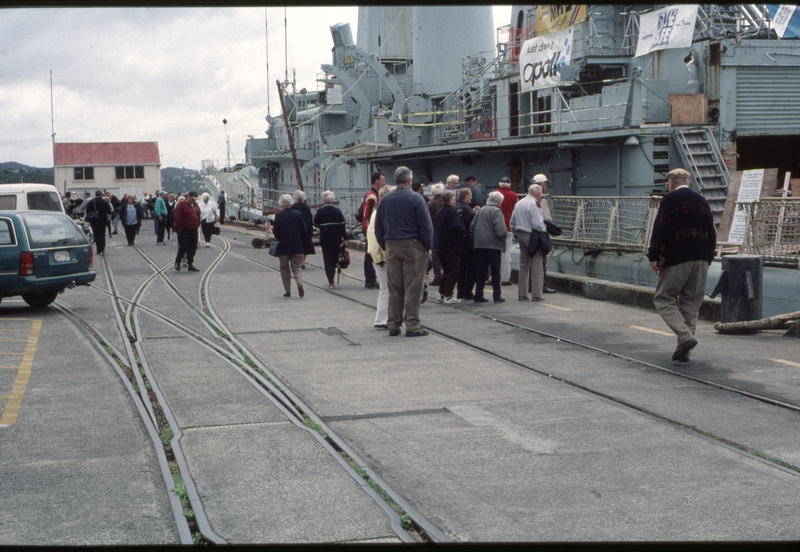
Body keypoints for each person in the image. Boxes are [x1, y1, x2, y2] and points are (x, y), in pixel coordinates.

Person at [647, 168, 717, 362]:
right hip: (701, 258)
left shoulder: (669, 200)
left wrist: (653, 255)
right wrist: (708, 257)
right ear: (689, 182)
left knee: (664, 299)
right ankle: (683, 350)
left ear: (671, 184)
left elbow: (660, 227)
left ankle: (685, 337)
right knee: (691, 305)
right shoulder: (702, 201)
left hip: (677, 257)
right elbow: (711, 231)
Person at [374, 166, 433, 337]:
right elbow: (426, 226)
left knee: (395, 287)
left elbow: (378, 227)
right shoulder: (417, 199)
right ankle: (413, 325)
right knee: (413, 287)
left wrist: (385, 244)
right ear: (409, 181)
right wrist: (426, 247)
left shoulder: (385, 200)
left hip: (392, 244)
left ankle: (393, 324)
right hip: (413, 246)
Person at [511, 183, 547, 302]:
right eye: (541, 193)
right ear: (537, 193)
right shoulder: (535, 203)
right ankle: (536, 294)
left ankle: (522, 294)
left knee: (523, 264)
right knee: (537, 265)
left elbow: (512, 222)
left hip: (520, 234)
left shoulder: (519, 203)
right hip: (532, 235)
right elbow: (537, 224)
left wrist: (516, 232)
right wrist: (545, 230)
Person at [470, 191, 507, 303]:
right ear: (499, 202)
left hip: (479, 245)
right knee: (495, 271)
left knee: (481, 271)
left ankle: (478, 295)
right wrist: (502, 237)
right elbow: (500, 229)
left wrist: (474, 240)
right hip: (493, 246)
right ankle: (497, 295)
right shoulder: (497, 211)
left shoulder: (481, 210)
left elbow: (472, 227)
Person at [367, 185, 396, 329]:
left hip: (375, 253)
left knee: (385, 287)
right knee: (387, 288)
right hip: (382, 255)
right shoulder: (383, 213)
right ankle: (383, 318)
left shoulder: (375, 212)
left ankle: (382, 317)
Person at [273, 194, 309, 298]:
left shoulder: (278, 216)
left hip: (284, 247)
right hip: (297, 246)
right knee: (297, 267)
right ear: (291, 203)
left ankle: (287, 290)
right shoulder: (298, 214)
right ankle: (299, 283)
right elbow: (304, 230)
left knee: (284, 269)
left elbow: (276, 233)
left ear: (281, 203)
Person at [433, 189, 466, 304]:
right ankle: (449, 295)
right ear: (452, 200)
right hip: (451, 246)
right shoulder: (453, 212)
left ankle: (441, 294)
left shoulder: (440, 211)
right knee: (453, 271)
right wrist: (464, 231)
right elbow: (456, 226)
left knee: (446, 271)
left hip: (439, 245)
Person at [313, 190, 347, 288]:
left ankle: (331, 281)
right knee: (334, 258)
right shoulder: (338, 211)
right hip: (336, 239)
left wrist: (322, 226)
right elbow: (342, 226)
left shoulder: (320, 211)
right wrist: (345, 238)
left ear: (324, 200)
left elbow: (315, 223)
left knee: (327, 259)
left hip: (325, 239)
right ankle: (333, 275)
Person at [532, 173, 556, 294]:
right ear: (541, 186)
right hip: (541, 234)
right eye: (545, 184)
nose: (546, 186)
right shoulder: (542, 200)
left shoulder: (527, 199)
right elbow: (546, 218)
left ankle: (531, 285)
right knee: (542, 261)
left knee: (531, 262)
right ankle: (543, 285)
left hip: (529, 233)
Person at [360, 171, 384, 289]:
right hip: (371, 227)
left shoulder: (369, 194)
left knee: (370, 252)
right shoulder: (372, 196)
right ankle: (370, 279)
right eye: (382, 180)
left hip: (368, 227)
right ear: (376, 181)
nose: (384, 183)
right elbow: (369, 213)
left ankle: (370, 278)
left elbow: (361, 212)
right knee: (370, 252)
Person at [496, 176, 519, 286]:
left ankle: (493, 276)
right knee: (506, 253)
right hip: (508, 227)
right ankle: (505, 278)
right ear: (510, 184)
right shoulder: (514, 196)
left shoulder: (494, 194)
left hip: (494, 228)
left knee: (494, 253)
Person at [455, 187, 477, 300]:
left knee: (461, 267)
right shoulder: (467, 209)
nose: (471, 197)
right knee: (470, 267)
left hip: (458, 242)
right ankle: (468, 291)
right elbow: (471, 225)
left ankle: (460, 291)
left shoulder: (456, 207)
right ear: (466, 196)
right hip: (467, 242)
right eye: (470, 195)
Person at [174, 190, 201, 272]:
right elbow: (177, 216)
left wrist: (197, 224)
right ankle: (178, 262)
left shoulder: (196, 205)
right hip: (184, 229)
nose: (194, 200)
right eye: (192, 199)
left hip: (194, 229)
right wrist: (180, 228)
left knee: (193, 247)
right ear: (188, 197)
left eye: (195, 199)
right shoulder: (181, 204)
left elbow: (198, 214)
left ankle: (190, 264)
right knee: (183, 247)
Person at [84, 189, 113, 255]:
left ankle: (98, 249)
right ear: (101, 194)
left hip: (94, 220)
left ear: (95, 194)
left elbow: (87, 211)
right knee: (102, 234)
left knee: (96, 234)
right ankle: (102, 248)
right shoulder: (104, 202)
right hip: (103, 220)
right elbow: (109, 211)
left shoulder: (91, 202)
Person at [427, 182, 445, 286]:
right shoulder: (446, 201)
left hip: (435, 231)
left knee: (435, 255)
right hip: (446, 232)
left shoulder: (430, 204)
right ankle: (447, 275)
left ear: (433, 192)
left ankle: (437, 277)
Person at [291, 190, 315, 264]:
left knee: (296, 246)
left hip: (296, 229)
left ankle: (297, 261)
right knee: (305, 247)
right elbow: (310, 218)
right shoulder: (306, 207)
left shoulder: (293, 206)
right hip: (306, 229)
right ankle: (303, 262)